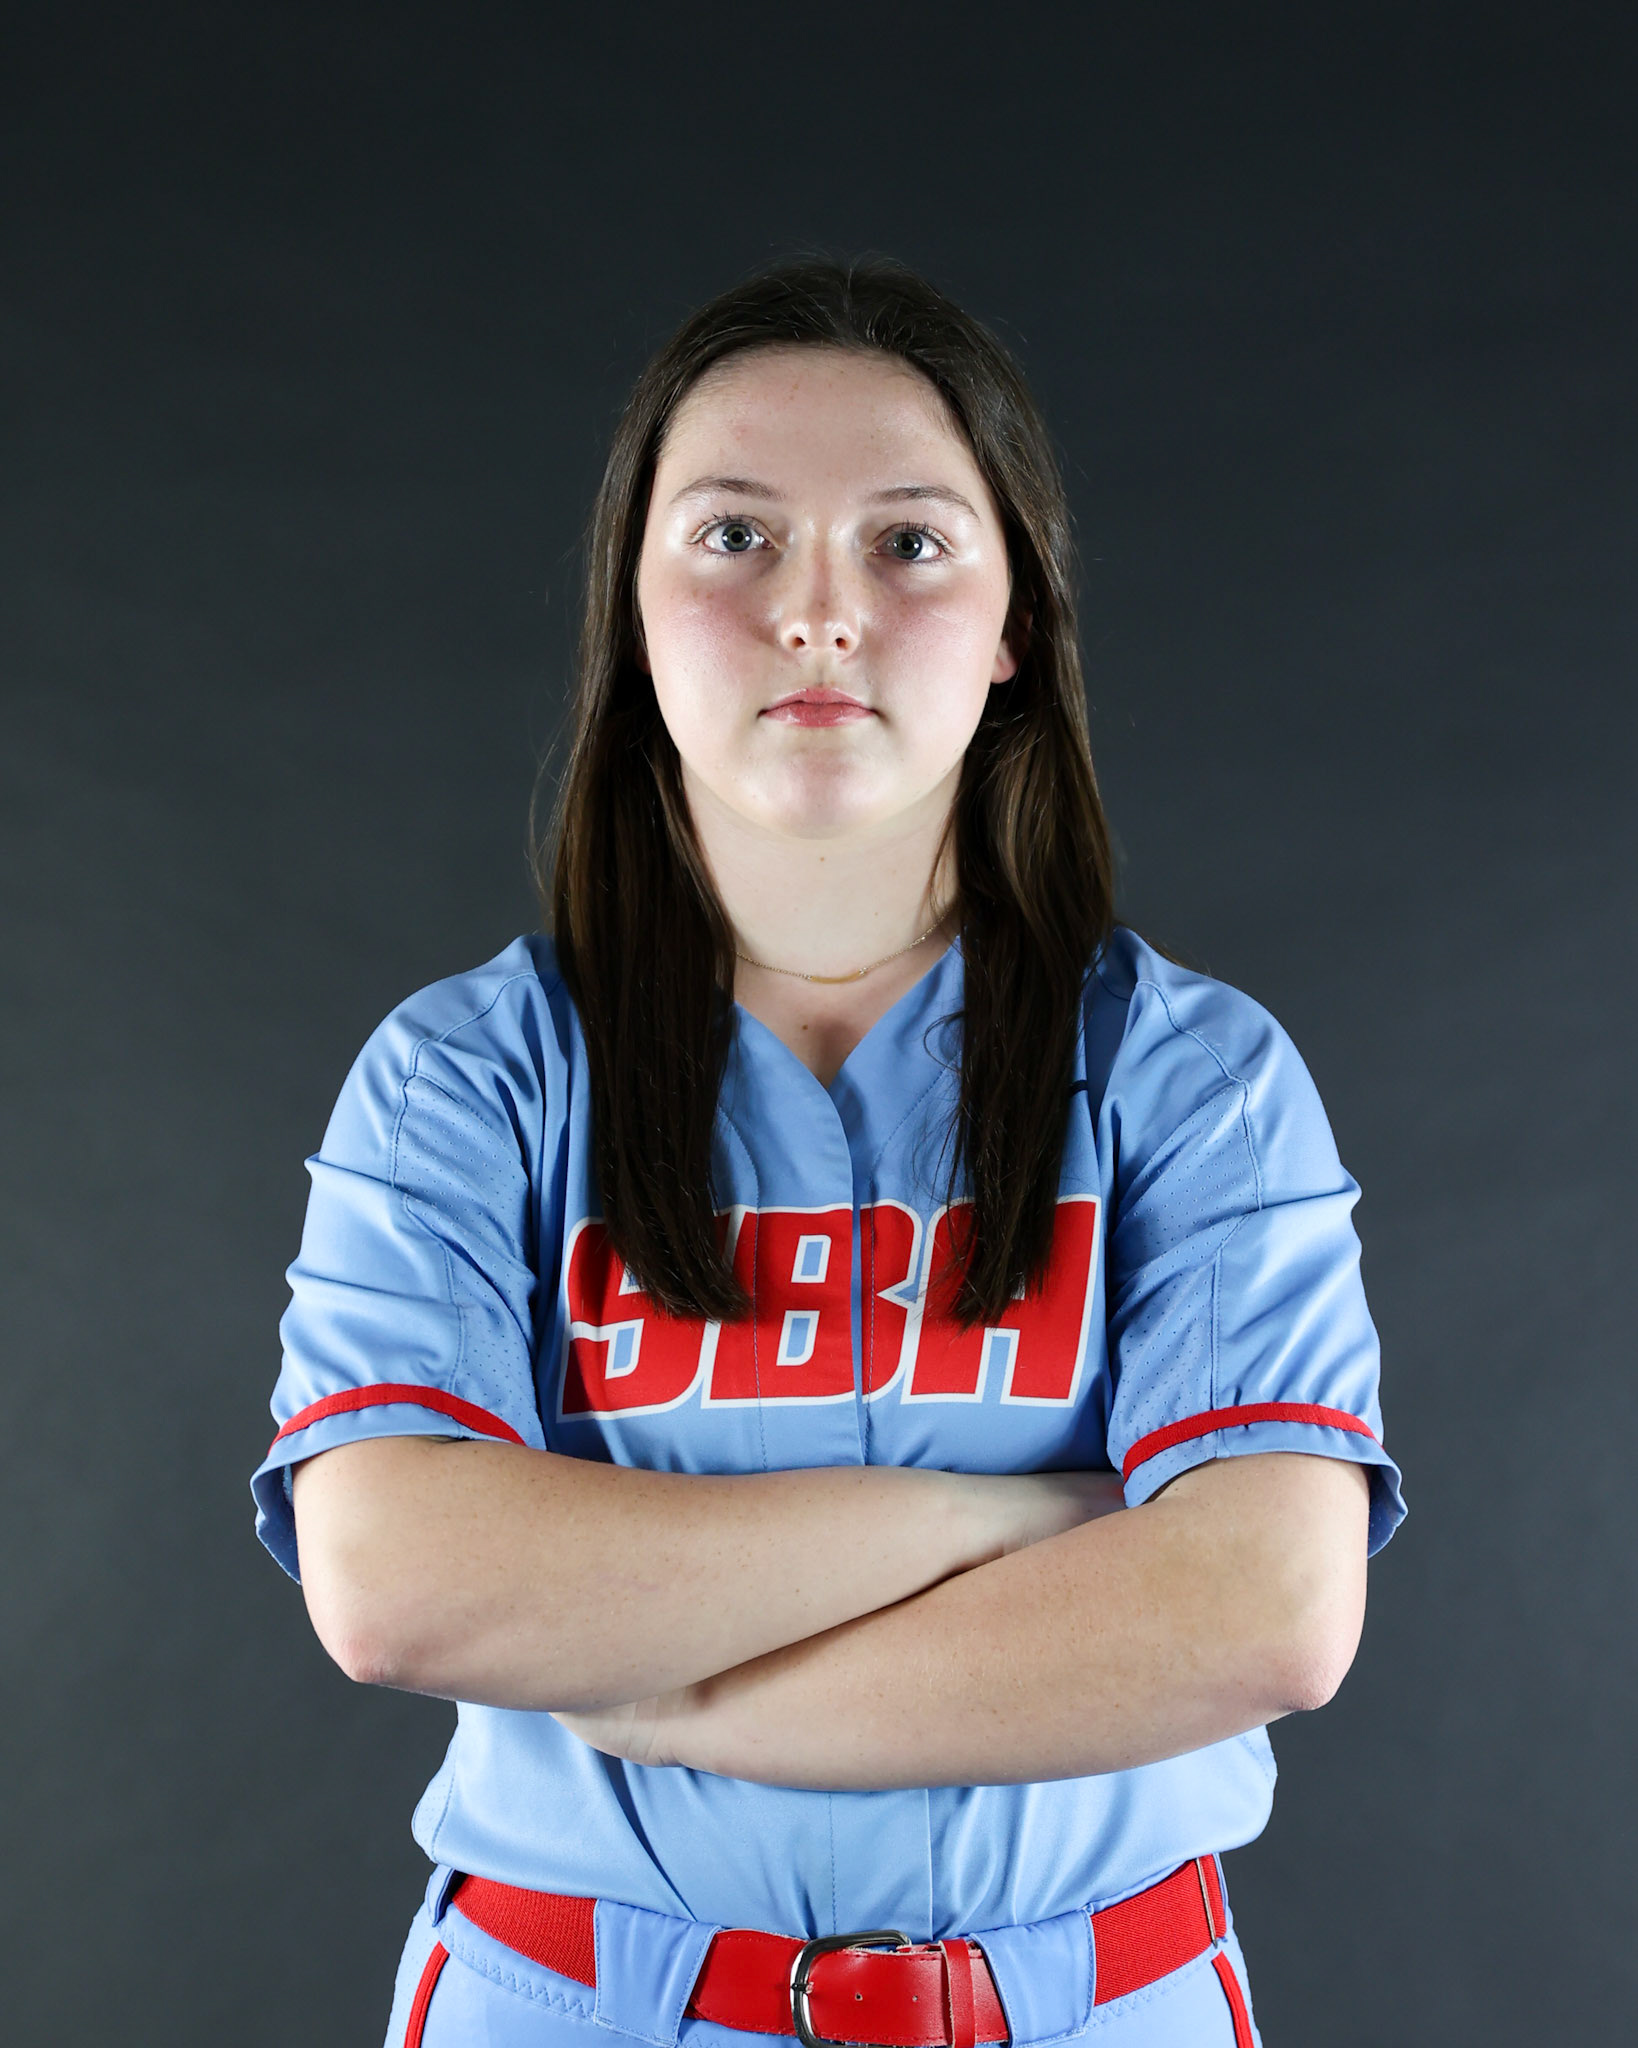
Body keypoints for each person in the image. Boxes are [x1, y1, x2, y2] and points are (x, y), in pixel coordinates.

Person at [253, 257, 1403, 2048]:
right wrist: (999, 1518)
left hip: (1096, 2009)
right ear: (632, 610)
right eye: (732, 536)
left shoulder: (1191, 1078)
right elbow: (405, 1585)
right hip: (579, 2007)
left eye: (907, 543)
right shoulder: (466, 1079)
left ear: (1014, 619)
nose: (816, 612)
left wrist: (673, 1691)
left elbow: (1259, 1614)